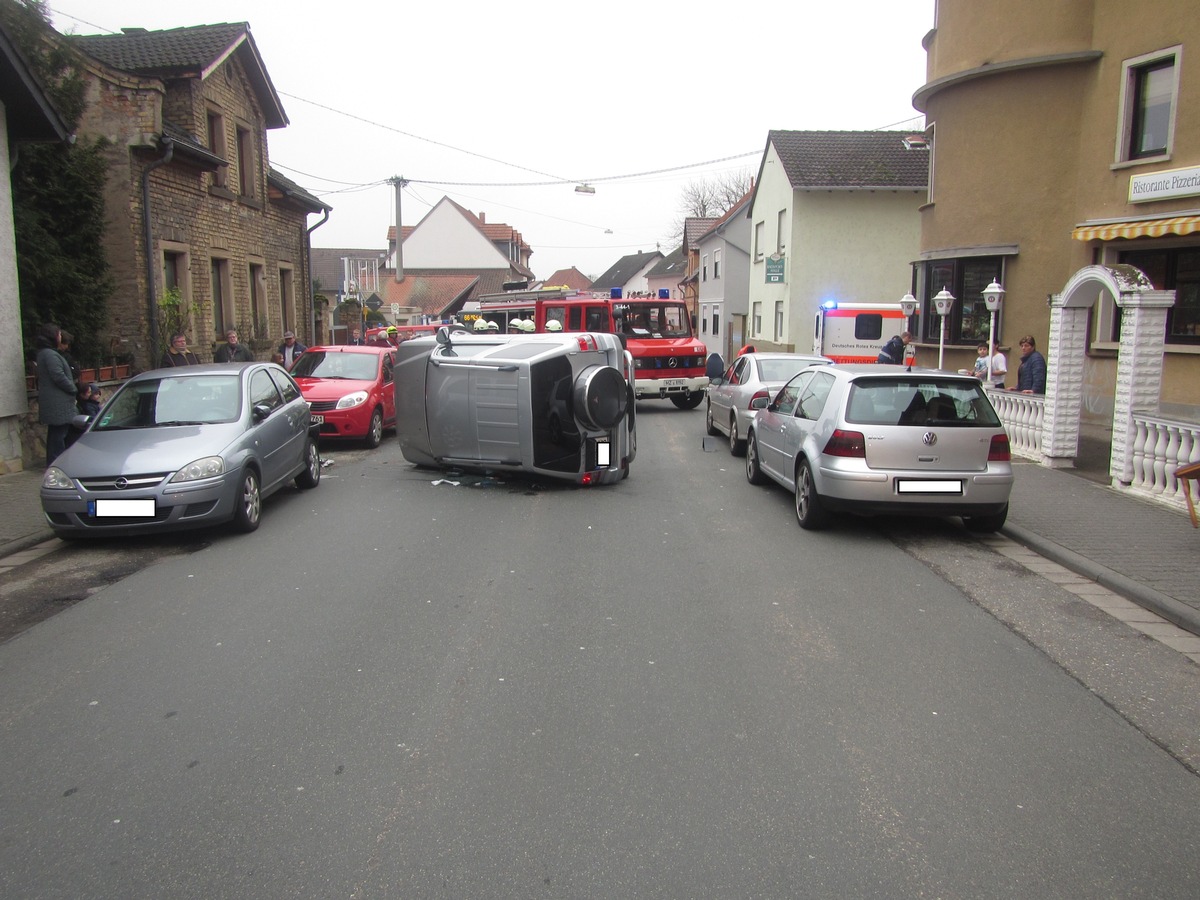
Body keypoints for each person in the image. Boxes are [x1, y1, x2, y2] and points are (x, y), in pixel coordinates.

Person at [35, 323, 79, 466]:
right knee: (58, 436)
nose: (61, 337)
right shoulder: (50, 355)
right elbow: (58, 376)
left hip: (58, 403)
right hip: (58, 403)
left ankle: (58, 463)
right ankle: (57, 465)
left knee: (59, 434)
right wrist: (72, 388)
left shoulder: (47, 353)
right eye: (59, 334)